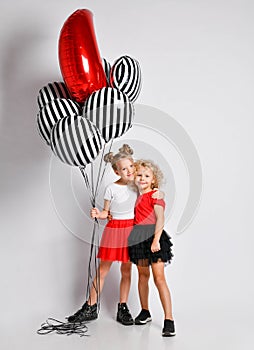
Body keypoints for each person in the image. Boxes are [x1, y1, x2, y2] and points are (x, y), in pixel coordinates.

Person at [67, 145, 162, 326]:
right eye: (123, 168)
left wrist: (159, 191)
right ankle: (90, 306)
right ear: (116, 170)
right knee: (103, 270)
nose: (129, 171)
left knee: (126, 271)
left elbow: (152, 192)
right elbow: (106, 212)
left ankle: (122, 307)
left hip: (131, 231)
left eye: (131, 167)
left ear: (135, 166)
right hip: (114, 230)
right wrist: (98, 214)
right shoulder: (111, 188)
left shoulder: (138, 186)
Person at [128, 159, 175, 337]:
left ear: (153, 180)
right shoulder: (137, 197)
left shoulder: (156, 195)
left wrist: (156, 240)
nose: (142, 178)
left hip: (154, 237)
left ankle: (169, 319)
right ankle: (145, 311)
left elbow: (160, 218)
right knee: (142, 275)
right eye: (139, 175)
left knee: (159, 278)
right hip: (138, 237)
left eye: (147, 176)